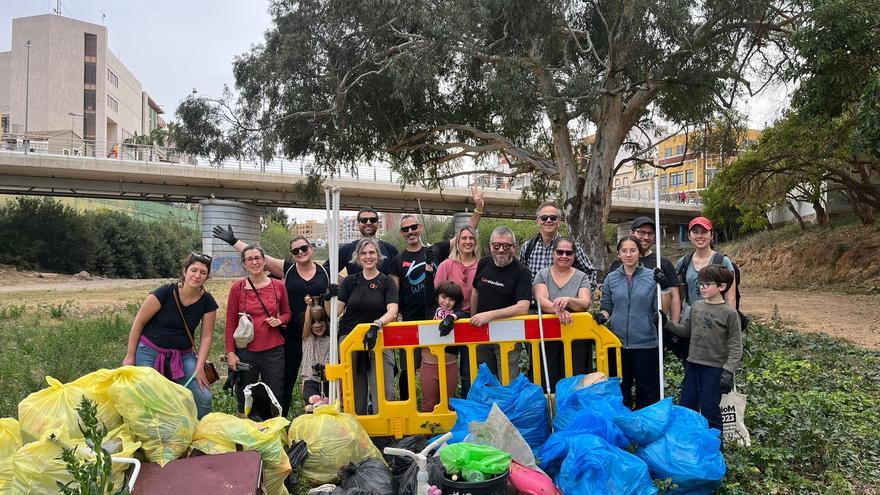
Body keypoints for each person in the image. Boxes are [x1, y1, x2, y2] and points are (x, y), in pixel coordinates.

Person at [212, 227, 330, 417]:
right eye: (295, 250)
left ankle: (318, 417)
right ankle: (278, 420)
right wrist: (234, 241)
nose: (300, 252)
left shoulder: (325, 271)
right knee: (286, 380)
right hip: (291, 334)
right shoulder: (288, 269)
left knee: (320, 378)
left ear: (311, 248)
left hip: (318, 334)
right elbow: (257, 257)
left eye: (304, 248)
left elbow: (353, 280)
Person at [123, 253, 217, 419]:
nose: (197, 275)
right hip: (149, 351)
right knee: (147, 396)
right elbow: (139, 322)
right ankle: (148, 434)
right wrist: (130, 356)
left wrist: (199, 367)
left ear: (207, 277)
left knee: (204, 396)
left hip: (183, 355)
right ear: (184, 271)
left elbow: (206, 337)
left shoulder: (207, 301)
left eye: (202, 272)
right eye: (193, 270)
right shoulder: (165, 292)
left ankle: (201, 434)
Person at [664, 265, 743, 431]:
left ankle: (715, 448)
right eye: (700, 283)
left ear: (721, 286)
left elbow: (736, 345)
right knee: (686, 406)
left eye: (707, 284)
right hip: (692, 365)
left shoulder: (730, 313)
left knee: (710, 409)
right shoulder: (696, 307)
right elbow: (686, 331)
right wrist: (666, 323)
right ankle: (689, 443)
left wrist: (728, 371)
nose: (702, 287)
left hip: (714, 370)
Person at [593, 236, 660, 410]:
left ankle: (645, 428)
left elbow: (660, 309)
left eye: (633, 250)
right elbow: (607, 306)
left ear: (640, 253)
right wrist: (602, 315)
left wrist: (664, 287)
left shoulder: (652, 277)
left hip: (646, 343)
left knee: (647, 392)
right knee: (620, 390)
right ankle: (623, 428)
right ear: (619, 254)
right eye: (624, 251)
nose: (628, 254)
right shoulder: (611, 279)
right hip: (617, 344)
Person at [225, 245, 291, 412]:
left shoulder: (278, 286)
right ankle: (246, 431)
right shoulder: (237, 289)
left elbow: (287, 313)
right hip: (246, 351)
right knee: (244, 394)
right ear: (244, 263)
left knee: (275, 394)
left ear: (264, 261)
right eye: (250, 259)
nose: (254, 262)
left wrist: (280, 320)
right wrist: (231, 353)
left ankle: (274, 430)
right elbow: (231, 323)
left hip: (273, 350)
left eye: (257, 258)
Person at [337, 237, 399, 414]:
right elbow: (335, 312)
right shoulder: (350, 281)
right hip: (350, 340)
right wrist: (330, 298)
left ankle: (384, 430)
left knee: (384, 388)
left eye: (372, 252)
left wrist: (377, 324)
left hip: (378, 337)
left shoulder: (387, 282)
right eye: (364, 253)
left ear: (378, 256)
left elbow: (392, 311)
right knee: (355, 390)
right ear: (358, 257)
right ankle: (359, 427)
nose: (368, 256)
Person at [468, 226, 532, 391]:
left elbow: (523, 307)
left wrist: (490, 315)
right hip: (482, 331)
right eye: (496, 246)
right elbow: (475, 290)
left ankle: (507, 415)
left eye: (506, 246)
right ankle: (488, 415)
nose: (501, 250)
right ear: (490, 246)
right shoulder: (484, 263)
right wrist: (473, 316)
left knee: (507, 381)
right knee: (484, 379)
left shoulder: (522, 272)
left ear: (514, 248)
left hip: (508, 334)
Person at [533, 236, 593, 390]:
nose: (564, 256)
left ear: (574, 255)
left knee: (575, 379)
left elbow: (585, 302)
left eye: (569, 253)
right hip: (548, 337)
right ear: (553, 253)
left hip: (577, 339)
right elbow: (540, 299)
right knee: (549, 379)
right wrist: (558, 310)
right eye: (560, 252)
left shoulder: (582, 277)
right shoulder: (542, 274)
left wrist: (568, 300)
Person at [674, 216, 738, 360]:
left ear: (711, 235)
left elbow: (731, 297)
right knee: (690, 361)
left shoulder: (722, 261)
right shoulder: (683, 262)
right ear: (689, 236)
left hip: (716, 320)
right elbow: (676, 294)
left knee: (715, 362)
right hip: (691, 321)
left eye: (704, 231)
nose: (700, 236)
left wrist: (728, 326)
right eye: (695, 232)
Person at [519, 202, 597, 290]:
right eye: (544, 218)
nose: (548, 220)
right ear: (538, 222)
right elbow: (521, 276)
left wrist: (580, 298)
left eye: (553, 218)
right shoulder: (527, 247)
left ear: (559, 221)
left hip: (564, 302)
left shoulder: (571, 247)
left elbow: (590, 273)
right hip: (536, 302)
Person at [420, 282, 466, 412]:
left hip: (449, 366)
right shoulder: (431, 307)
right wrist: (428, 266)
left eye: (451, 299)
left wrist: (452, 317)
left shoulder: (457, 313)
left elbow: (465, 314)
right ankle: (428, 433)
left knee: (449, 403)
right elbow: (428, 287)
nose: (447, 302)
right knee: (429, 404)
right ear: (437, 297)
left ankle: (449, 432)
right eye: (444, 297)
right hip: (429, 365)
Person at [334, 207, 400, 276]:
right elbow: (326, 271)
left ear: (377, 223)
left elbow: (400, 274)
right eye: (364, 220)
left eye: (373, 220)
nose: (368, 223)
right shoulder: (347, 249)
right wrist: (344, 283)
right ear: (358, 224)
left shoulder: (390, 249)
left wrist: (390, 285)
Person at [435, 225, 481, 313]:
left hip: (475, 318)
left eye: (471, 238)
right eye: (464, 238)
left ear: (475, 242)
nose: (468, 241)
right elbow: (437, 295)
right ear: (457, 242)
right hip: (449, 318)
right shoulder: (446, 265)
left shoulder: (481, 267)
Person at [300, 295, 331, 404]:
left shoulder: (330, 340)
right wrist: (309, 306)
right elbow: (307, 323)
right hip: (310, 380)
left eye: (321, 322)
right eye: (314, 323)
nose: (318, 325)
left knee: (326, 408)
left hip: (327, 380)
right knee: (312, 404)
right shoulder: (309, 339)